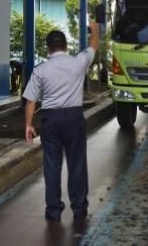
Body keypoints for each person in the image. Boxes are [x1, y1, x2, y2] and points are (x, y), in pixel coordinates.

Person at [23, 20, 99, 222]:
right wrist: (95, 29)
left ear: (48, 48)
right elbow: (93, 46)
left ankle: (53, 211)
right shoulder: (78, 62)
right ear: (65, 46)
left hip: (50, 120)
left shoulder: (41, 70)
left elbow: (31, 99)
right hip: (73, 118)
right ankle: (79, 209)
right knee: (77, 164)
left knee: (51, 165)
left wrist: (29, 125)